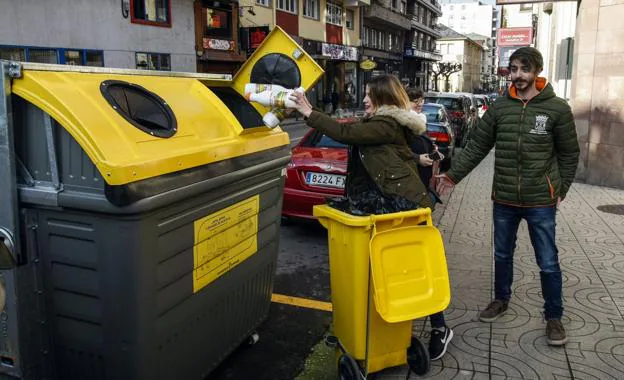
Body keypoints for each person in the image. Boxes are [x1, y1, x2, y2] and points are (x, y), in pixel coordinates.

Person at [289, 75, 453, 360]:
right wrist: (417, 160)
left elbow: (346, 135)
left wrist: (309, 111)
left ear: (383, 100)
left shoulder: (385, 124)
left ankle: (440, 327)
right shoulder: (384, 124)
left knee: (409, 269)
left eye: (369, 95)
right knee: (385, 269)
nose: (364, 99)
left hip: (402, 203)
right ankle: (370, 328)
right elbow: (396, 152)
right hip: (385, 202)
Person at [435, 47, 580, 346]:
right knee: (502, 254)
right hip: (504, 198)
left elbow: (569, 153)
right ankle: (501, 300)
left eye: (524, 69)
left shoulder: (557, 109)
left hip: (541, 200)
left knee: (548, 261)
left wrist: (560, 189)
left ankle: (554, 316)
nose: (518, 75)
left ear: (537, 70)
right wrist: (452, 176)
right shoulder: (501, 108)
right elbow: (476, 147)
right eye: (513, 69)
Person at [407, 88, 452, 360]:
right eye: (416, 102)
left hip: (415, 210)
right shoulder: (399, 130)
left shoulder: (418, 133)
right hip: (397, 210)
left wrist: (428, 157)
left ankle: (439, 326)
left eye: (421, 103)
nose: (420, 107)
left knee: (422, 268)